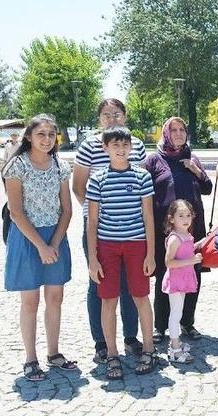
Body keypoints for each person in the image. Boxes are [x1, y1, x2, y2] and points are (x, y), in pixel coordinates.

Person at [3, 114, 77, 382]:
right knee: (30, 301)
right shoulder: (17, 166)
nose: (46, 139)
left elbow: (67, 210)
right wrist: (41, 246)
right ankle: (30, 358)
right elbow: (16, 211)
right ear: (29, 137)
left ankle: (54, 353)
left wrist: (54, 243)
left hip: (55, 236)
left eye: (51, 134)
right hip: (26, 238)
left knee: (55, 298)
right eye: (41, 134)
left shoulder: (60, 165)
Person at [73, 98, 147, 363]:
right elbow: (79, 186)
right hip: (99, 227)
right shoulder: (89, 146)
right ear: (99, 119)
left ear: (125, 117)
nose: (112, 119)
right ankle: (101, 342)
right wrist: (99, 215)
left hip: (132, 228)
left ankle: (130, 337)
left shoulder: (135, 144)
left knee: (130, 284)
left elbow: (141, 185)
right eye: (106, 115)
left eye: (116, 114)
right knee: (99, 282)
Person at [85, 126, 157, 380]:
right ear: (105, 148)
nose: (121, 149)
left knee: (140, 296)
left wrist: (151, 254)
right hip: (108, 246)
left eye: (125, 144)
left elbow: (148, 217)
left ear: (132, 147)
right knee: (108, 299)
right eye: (115, 144)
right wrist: (93, 258)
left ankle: (149, 348)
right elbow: (92, 221)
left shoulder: (141, 176)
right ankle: (112, 354)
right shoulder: (97, 179)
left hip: (137, 244)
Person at [145, 117, 212, 345]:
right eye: (173, 130)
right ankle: (161, 326)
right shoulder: (154, 160)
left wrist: (196, 170)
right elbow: (144, 193)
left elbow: (207, 188)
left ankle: (187, 322)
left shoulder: (192, 158)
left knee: (191, 274)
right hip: (166, 231)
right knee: (166, 275)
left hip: (192, 229)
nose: (178, 133)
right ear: (165, 133)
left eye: (182, 129)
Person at [161, 199, 202, 364]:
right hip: (176, 280)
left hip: (183, 279)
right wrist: (192, 260)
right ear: (172, 219)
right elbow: (169, 263)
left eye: (188, 215)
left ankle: (175, 342)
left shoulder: (186, 236)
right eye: (180, 215)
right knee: (176, 313)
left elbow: (188, 250)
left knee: (179, 311)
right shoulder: (175, 238)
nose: (185, 219)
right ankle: (175, 349)